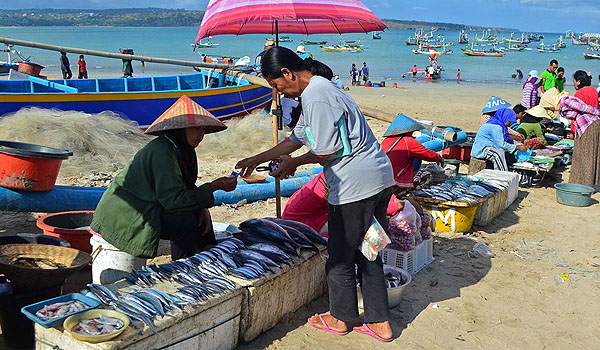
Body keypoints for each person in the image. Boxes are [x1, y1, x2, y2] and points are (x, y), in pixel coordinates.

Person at [235, 47, 395, 341]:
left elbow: (326, 151)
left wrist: (294, 163)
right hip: (378, 179)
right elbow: (296, 138)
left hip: (354, 186)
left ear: (287, 73)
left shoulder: (316, 95)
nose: (278, 93)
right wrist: (256, 159)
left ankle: (341, 319)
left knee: (340, 256)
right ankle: (380, 322)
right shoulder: (317, 91)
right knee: (369, 250)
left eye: (276, 85)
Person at [90, 95, 237, 260]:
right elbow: (174, 202)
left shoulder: (182, 149)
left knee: (198, 214)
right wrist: (213, 187)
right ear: (181, 130)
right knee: (185, 222)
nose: (200, 134)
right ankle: (182, 268)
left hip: (153, 203)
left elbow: (183, 187)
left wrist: (203, 208)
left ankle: (209, 255)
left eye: (203, 130)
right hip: (130, 212)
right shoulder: (162, 151)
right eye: (196, 129)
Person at [282, 115, 444, 235]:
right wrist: (401, 204)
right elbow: (360, 204)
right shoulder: (334, 182)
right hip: (302, 226)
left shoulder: (336, 174)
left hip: (312, 217)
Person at [528, 88, 600, 186]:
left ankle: (586, 184)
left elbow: (585, 108)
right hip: (582, 126)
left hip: (588, 125)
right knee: (579, 154)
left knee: (586, 154)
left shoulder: (565, 100)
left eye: (548, 106)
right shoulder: (561, 105)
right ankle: (578, 182)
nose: (550, 109)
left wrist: (597, 113)